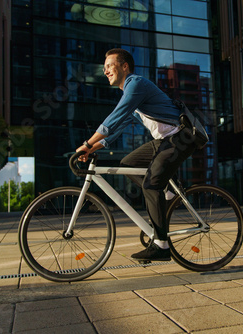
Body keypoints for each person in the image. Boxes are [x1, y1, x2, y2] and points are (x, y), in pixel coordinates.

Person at [76, 48, 197, 261]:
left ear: (125, 66)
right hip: (163, 141)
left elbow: (115, 116)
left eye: (109, 66)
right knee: (127, 164)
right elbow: (117, 128)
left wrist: (86, 143)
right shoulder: (132, 95)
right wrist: (91, 149)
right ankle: (168, 193)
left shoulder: (136, 84)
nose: (105, 71)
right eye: (103, 68)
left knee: (151, 184)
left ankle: (161, 245)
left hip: (178, 137)